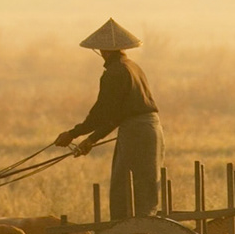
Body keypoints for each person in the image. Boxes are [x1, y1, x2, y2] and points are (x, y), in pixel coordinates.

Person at [55, 19, 162, 218]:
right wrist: (90, 140)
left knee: (126, 190)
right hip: (151, 129)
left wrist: (73, 134)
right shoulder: (132, 66)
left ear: (103, 50)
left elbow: (101, 114)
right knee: (144, 190)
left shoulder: (114, 73)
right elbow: (115, 116)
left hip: (136, 132)